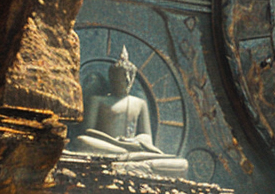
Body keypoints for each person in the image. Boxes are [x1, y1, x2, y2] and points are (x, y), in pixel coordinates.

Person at [65, 47, 187, 175]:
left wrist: (132, 142)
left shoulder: (140, 103)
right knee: (81, 141)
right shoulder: (97, 100)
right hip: (108, 145)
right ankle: (129, 158)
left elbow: (146, 137)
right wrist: (116, 141)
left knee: (182, 164)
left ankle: (128, 158)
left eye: (130, 77)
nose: (127, 80)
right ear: (112, 77)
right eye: (122, 77)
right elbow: (88, 130)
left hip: (131, 147)